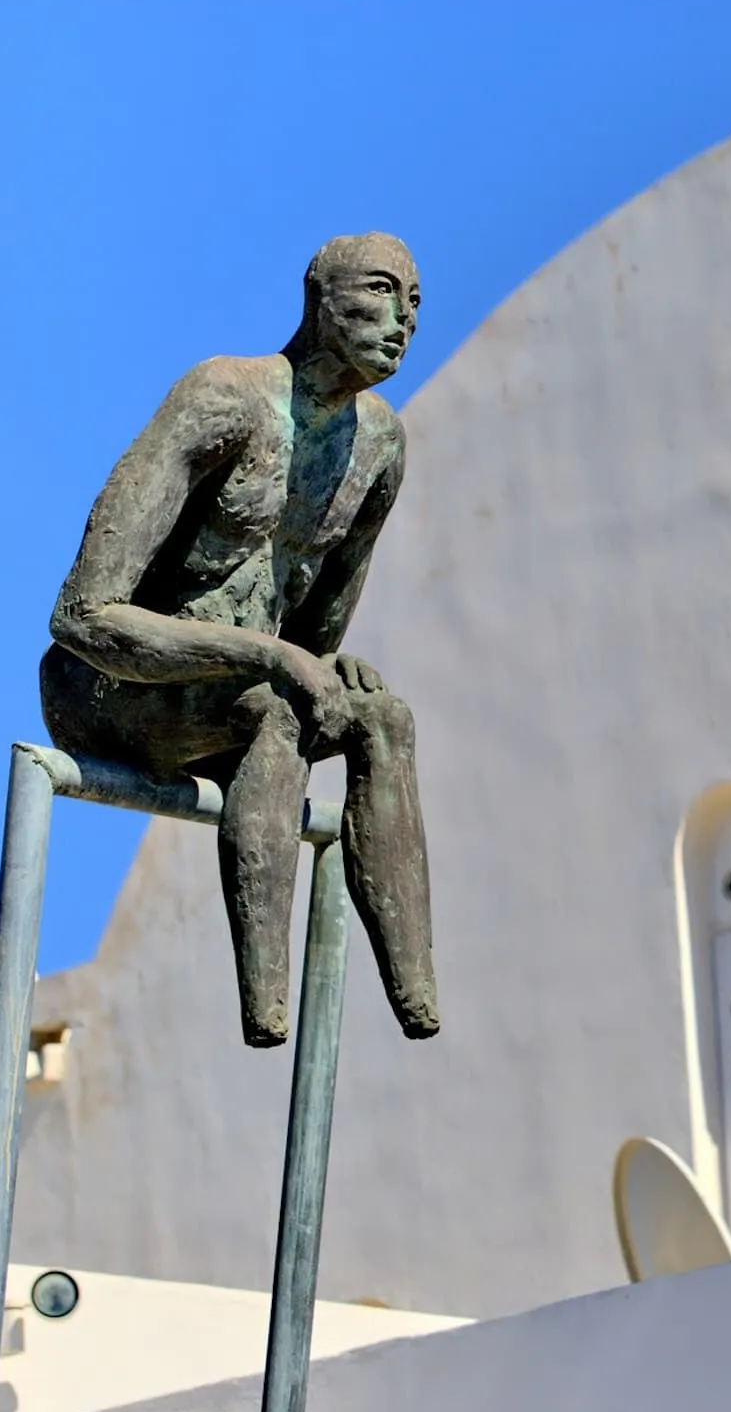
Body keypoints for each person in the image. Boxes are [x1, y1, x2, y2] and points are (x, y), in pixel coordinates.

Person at [40, 234, 438, 1048]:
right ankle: (266, 1001)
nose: (402, 320)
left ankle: (415, 992)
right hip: (106, 693)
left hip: (231, 697)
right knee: (275, 710)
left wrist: (325, 669)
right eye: (382, 292)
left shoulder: (381, 449)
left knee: (384, 719)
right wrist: (269, 657)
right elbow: (83, 616)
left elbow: (313, 635)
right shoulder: (225, 397)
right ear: (319, 299)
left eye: (415, 304)